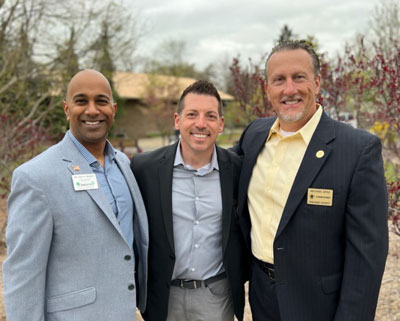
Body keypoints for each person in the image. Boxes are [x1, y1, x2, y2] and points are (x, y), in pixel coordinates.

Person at [232, 40, 388, 321]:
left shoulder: (357, 150)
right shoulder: (254, 135)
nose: (289, 89)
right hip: (261, 295)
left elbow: (367, 257)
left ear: (317, 82)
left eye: (299, 77)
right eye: (279, 80)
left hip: (319, 306)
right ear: (267, 88)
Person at [3, 69, 148, 321]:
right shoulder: (36, 177)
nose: (92, 110)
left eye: (101, 101)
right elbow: (23, 274)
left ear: (113, 109)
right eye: (81, 101)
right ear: (67, 108)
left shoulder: (124, 164)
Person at [131, 80, 246, 321]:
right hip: (164, 296)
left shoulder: (236, 170)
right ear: (177, 120)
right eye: (192, 114)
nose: (201, 124)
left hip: (215, 296)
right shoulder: (145, 169)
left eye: (210, 116)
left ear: (221, 124)